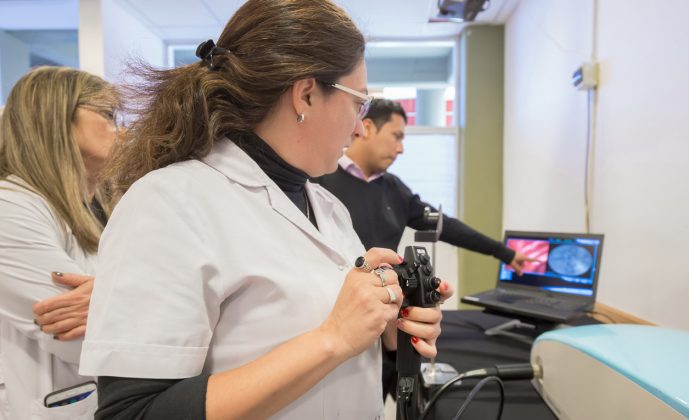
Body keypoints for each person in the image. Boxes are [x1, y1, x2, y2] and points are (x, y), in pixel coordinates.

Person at [78, 1, 452, 419]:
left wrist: (387, 322)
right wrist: (333, 337)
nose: (359, 127)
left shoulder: (327, 207)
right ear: (306, 93)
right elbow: (133, 412)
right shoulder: (169, 203)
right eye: (358, 103)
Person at [313, 98, 535, 399]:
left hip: (389, 327)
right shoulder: (318, 181)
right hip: (334, 325)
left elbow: (448, 226)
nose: (401, 148)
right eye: (397, 136)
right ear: (365, 128)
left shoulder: (395, 189)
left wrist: (504, 252)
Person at [0, 66, 121, 419]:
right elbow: (80, 337)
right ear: (56, 116)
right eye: (107, 113)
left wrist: (114, 294)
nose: (120, 127)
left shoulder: (98, 207)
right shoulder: (9, 208)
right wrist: (125, 297)